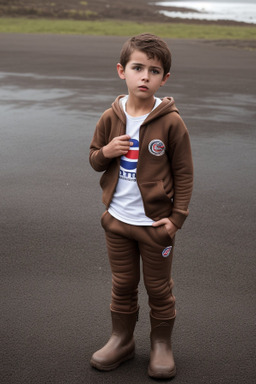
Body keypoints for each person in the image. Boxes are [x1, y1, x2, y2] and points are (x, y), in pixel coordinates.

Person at [89, 33, 193, 379]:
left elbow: (184, 173)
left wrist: (176, 219)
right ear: (122, 71)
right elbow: (93, 159)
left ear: (165, 78)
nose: (145, 76)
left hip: (155, 226)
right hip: (117, 220)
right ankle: (122, 339)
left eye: (154, 70)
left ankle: (161, 345)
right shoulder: (110, 116)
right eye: (137, 68)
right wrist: (106, 152)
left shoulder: (171, 122)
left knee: (159, 288)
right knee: (122, 283)